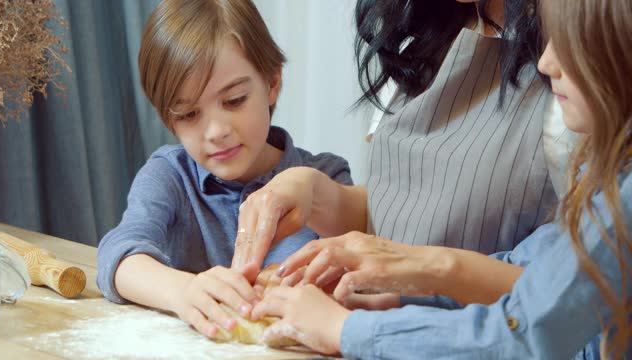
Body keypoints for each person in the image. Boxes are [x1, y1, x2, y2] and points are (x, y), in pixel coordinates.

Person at [251, 0, 632, 358]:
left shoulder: (584, 135)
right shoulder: (420, 41)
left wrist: (350, 327)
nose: (550, 64)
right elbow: (540, 268)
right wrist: (400, 298)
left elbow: (530, 323)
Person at [232, 0, 560, 286]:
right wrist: (313, 191)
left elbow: (568, 288)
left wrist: (424, 271)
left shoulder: (569, 71)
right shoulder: (430, 37)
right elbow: (397, 216)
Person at [95, 0, 352, 339]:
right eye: (188, 114)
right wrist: (184, 291)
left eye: (234, 101)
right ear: (168, 119)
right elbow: (118, 255)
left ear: (272, 82)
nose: (216, 131)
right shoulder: (170, 176)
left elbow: (355, 279)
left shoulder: (325, 178)